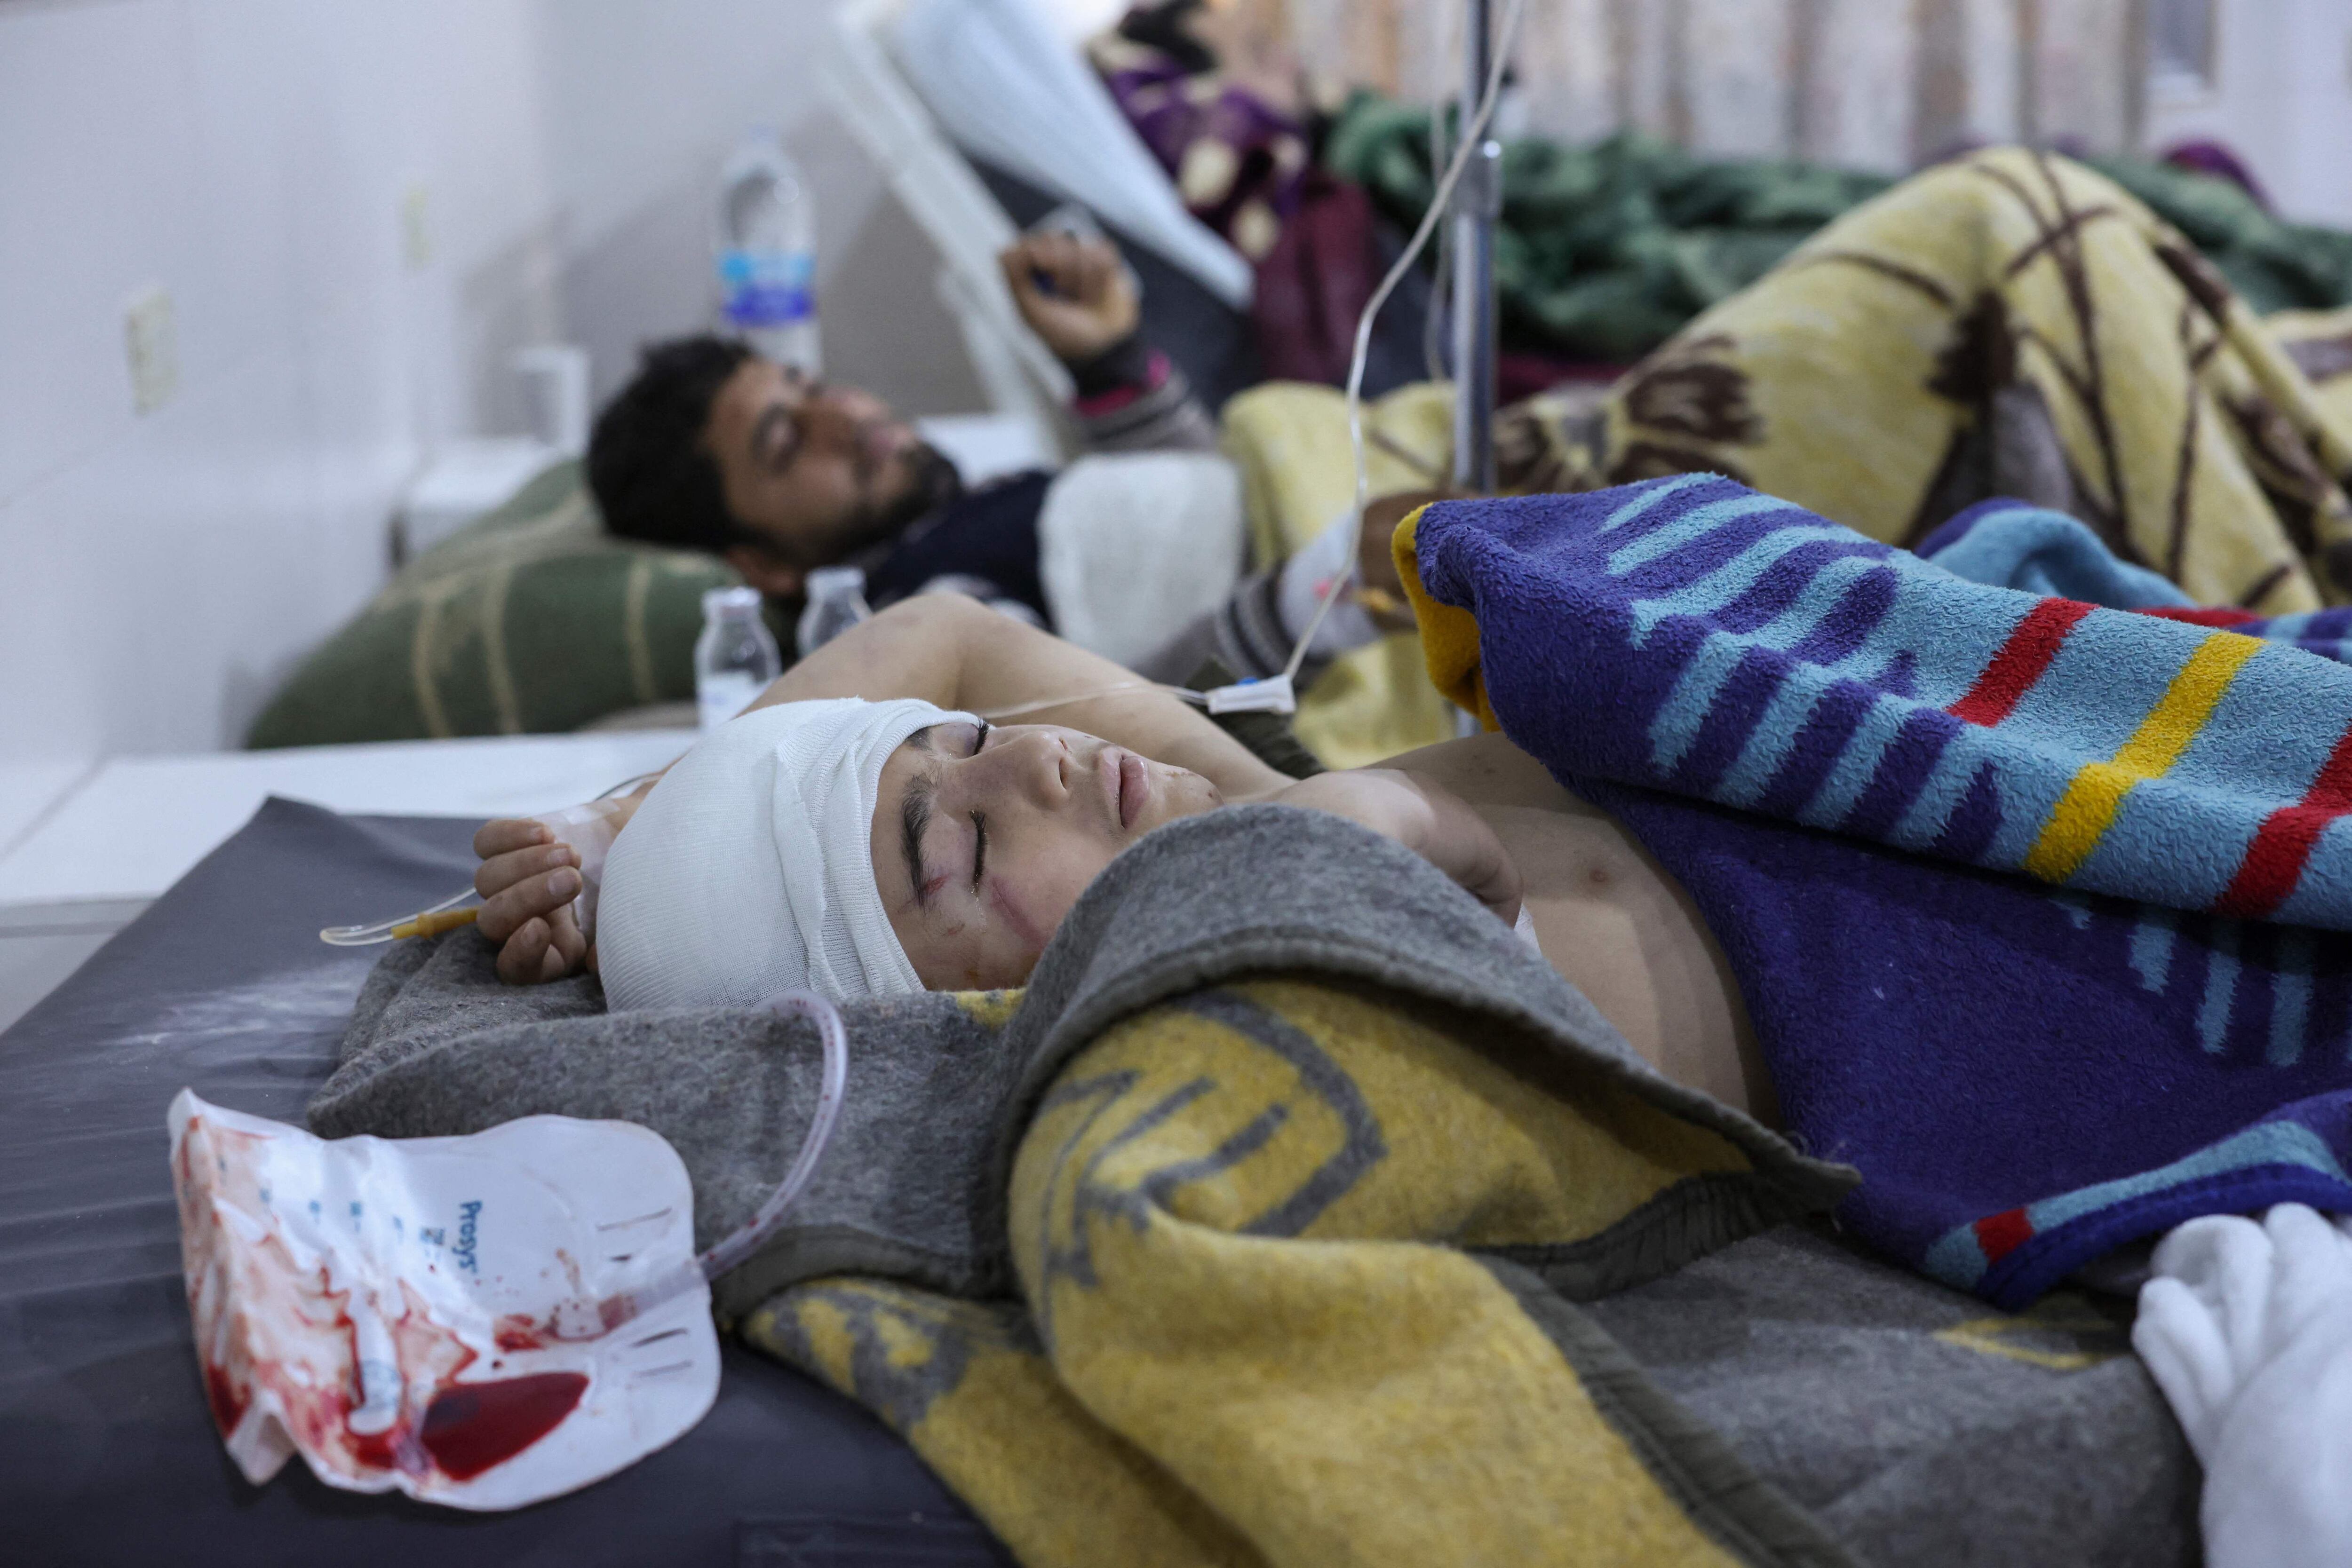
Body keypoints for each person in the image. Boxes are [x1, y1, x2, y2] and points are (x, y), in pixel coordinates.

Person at [469, 589, 1772, 1122]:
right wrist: (1370, 833)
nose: (1035, 762)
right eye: (962, 846)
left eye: (967, 741)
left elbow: (944, 630)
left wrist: (628, 814)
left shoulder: (1257, 798)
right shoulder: (1274, 1016)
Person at [586, 230, 1410, 683]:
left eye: (811, 387)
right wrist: (1319, 596)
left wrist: (1109, 362)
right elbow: (1109, 729)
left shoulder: (963, 512)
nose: (842, 414)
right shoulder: (913, 615)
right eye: (788, 441)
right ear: (759, 564)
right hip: (1373, 612)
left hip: (1362, 508)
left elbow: (1198, 503)